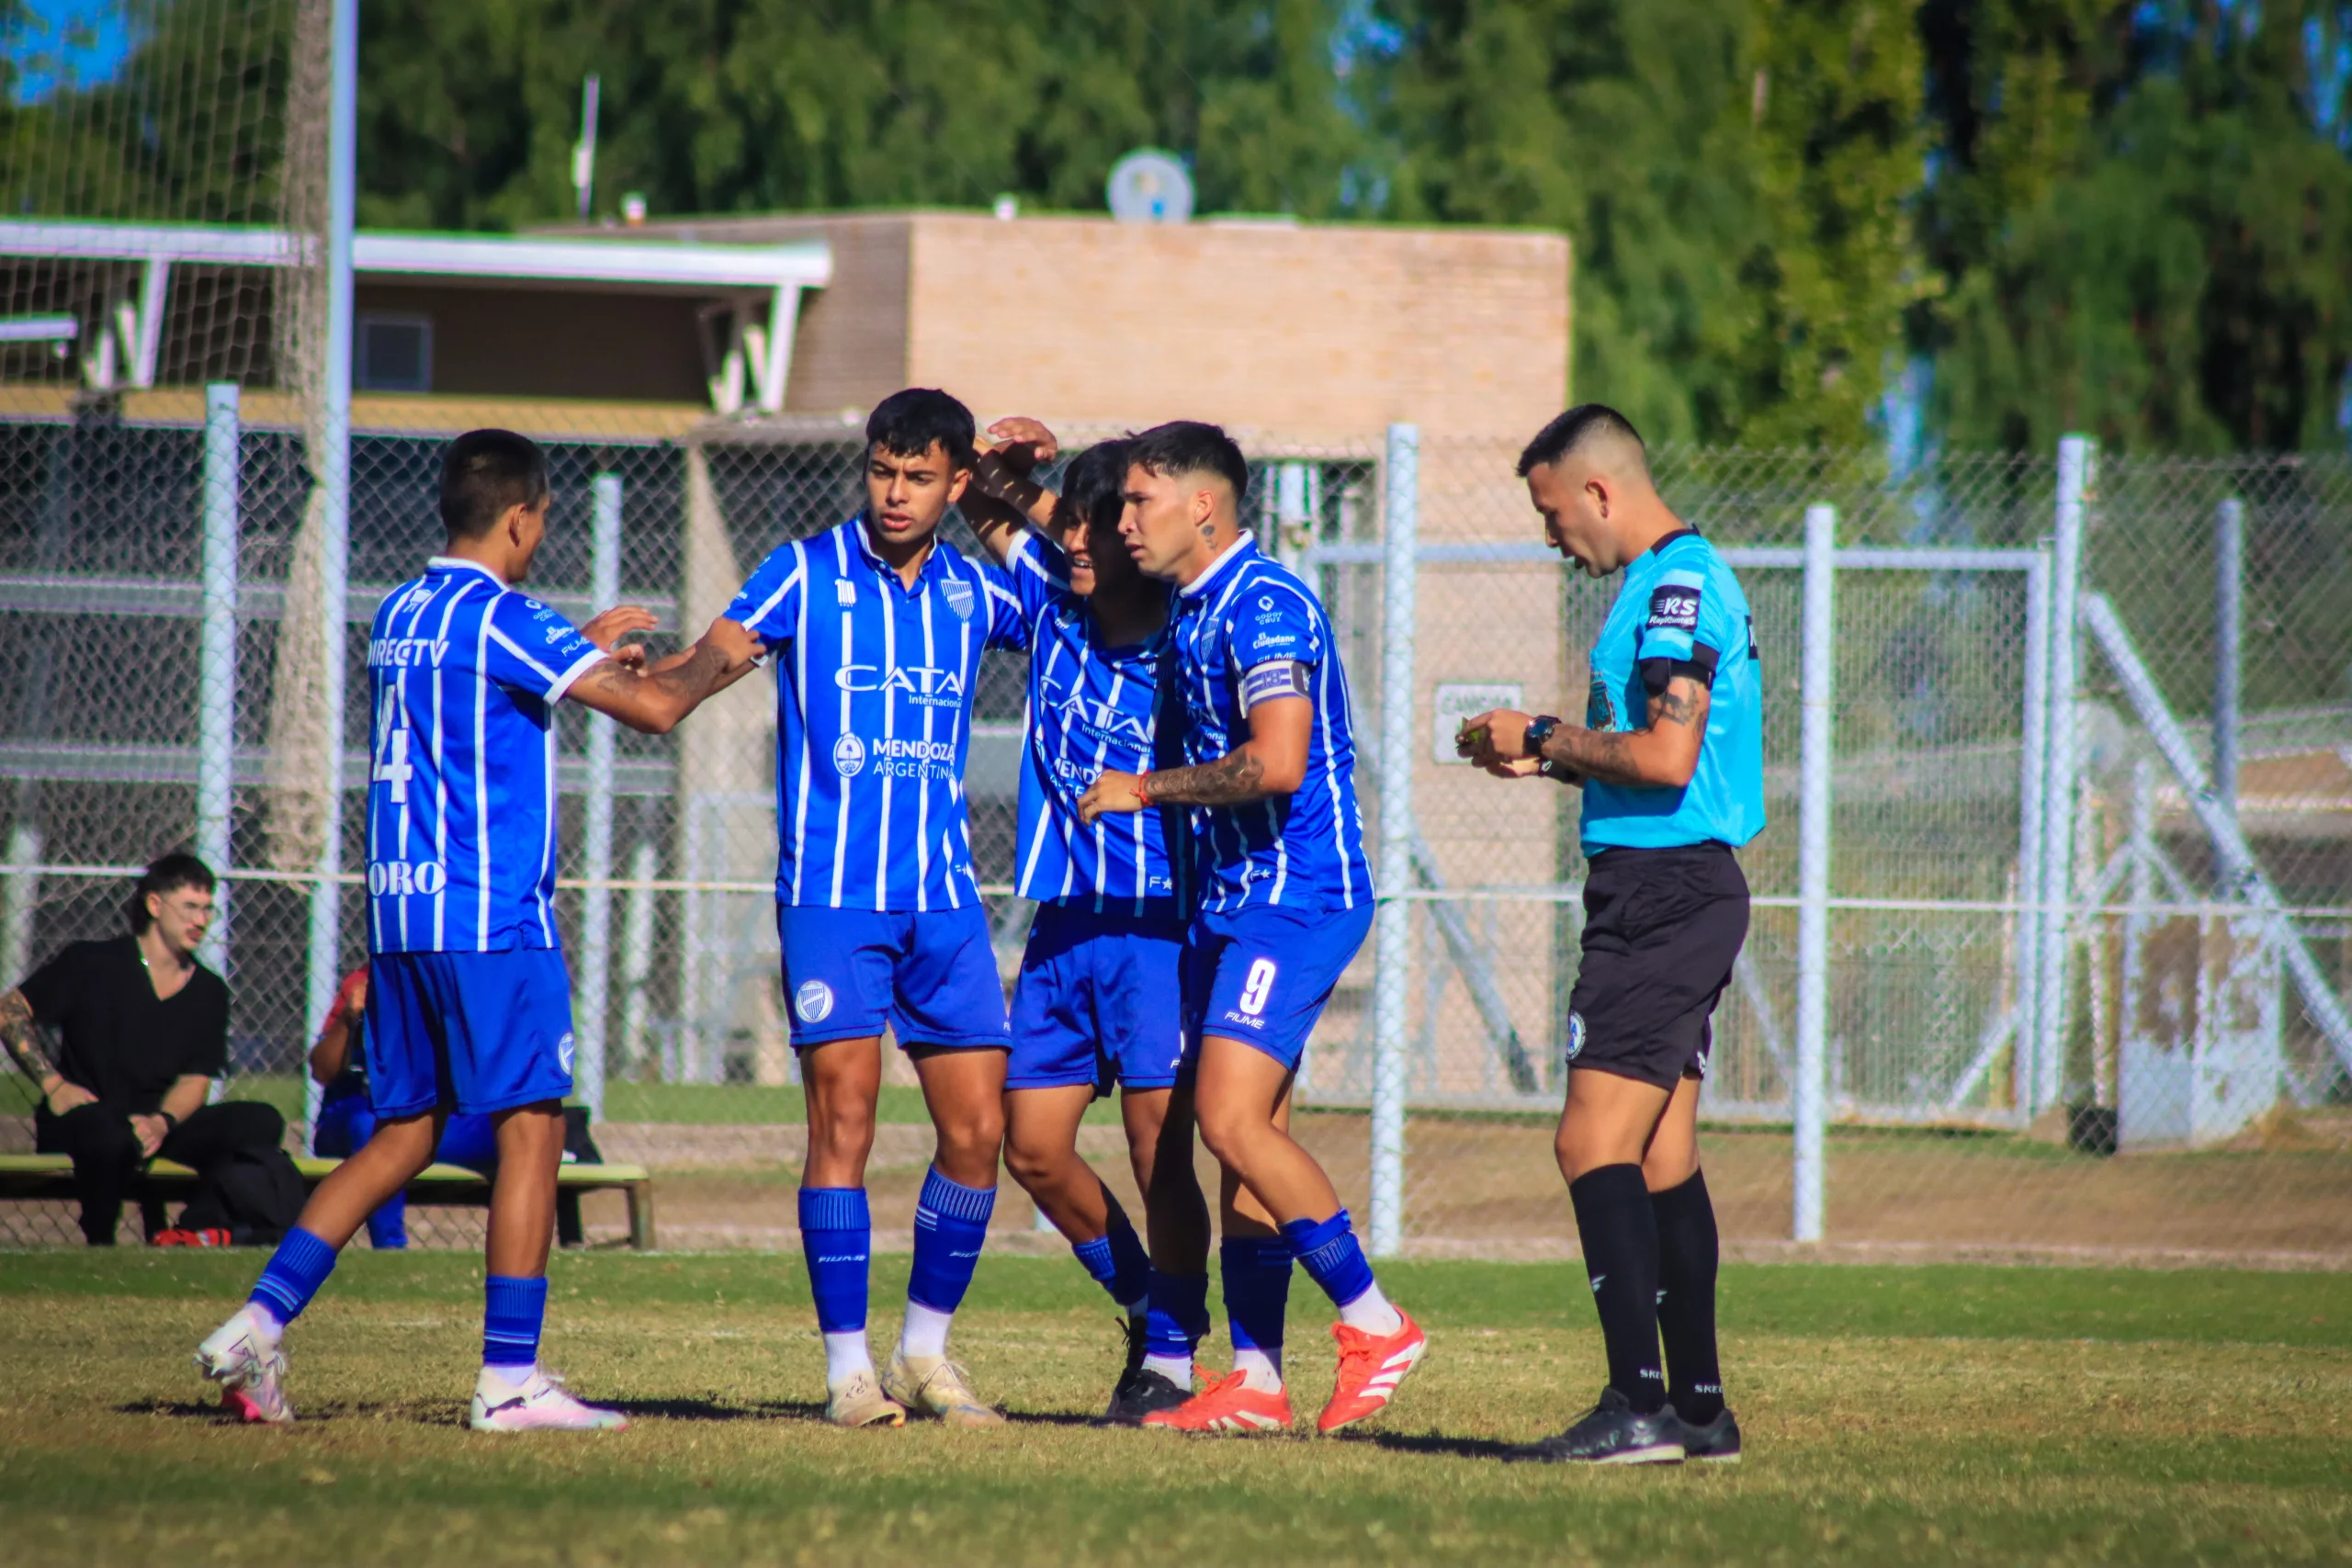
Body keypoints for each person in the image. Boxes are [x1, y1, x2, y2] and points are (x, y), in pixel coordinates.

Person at [193, 428, 759, 1430]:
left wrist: (580, 648)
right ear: (518, 518)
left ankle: (259, 1325)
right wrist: (731, 648)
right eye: (542, 520)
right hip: (492, 917)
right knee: (534, 1128)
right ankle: (510, 1381)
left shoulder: (406, 611)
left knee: (403, 1133)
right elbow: (660, 709)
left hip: (404, 918)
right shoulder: (507, 618)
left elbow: (482, 691)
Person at [1079, 421, 1427, 1437]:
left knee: (1229, 1121)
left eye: (1139, 502)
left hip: (1299, 899)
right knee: (1247, 1140)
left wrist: (1142, 788)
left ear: (1204, 506)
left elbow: (1276, 763)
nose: (1122, 521)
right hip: (1231, 910)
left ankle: (1375, 1324)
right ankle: (1258, 1379)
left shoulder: (1264, 606)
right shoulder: (1194, 608)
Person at [717, 389, 1029, 1429]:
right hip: (832, 900)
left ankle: (923, 1355)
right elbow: (709, 660)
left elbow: (1078, 600)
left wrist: (1013, 505)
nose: (895, 494)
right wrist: (629, 680)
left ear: (952, 482)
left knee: (979, 1130)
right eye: (882, 472)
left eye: (918, 477)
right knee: (843, 1120)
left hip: (943, 903)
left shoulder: (977, 592)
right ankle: (847, 1373)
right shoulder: (802, 572)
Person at [1457, 403, 1761, 1465]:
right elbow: (1647, 751)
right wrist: (1550, 759)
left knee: (1588, 1142)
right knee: (1661, 1152)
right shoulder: (1655, 587)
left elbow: (1669, 759)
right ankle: (1695, 1410)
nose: (1550, 536)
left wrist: (1543, 732)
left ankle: (1634, 1401)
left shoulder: (1675, 588)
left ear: (1598, 491)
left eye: (1551, 512)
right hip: (1671, 884)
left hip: (1663, 894)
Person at [956, 431, 1215, 1424]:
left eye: (1094, 523)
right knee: (1031, 1147)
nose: (1072, 539)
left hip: (1159, 927)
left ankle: (1174, 1357)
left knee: (1160, 1154)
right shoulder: (1051, 609)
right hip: (1063, 925)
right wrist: (1001, 456)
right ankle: (1151, 1304)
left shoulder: (1188, 632)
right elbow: (978, 504)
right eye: (1064, 518)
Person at [1, 853, 287, 1247]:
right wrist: (53, 1085)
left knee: (261, 1121)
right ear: (154, 905)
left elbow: (195, 1080)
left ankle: (187, 1233)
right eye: (189, 907)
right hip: (89, 1117)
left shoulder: (209, 990)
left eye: (207, 910)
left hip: (158, 1126)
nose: (201, 921)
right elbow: (9, 1011)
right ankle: (100, 1246)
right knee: (107, 1135)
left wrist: (162, 1122)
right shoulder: (91, 963)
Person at [308, 965, 498, 1250]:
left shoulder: (464, 977)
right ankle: (391, 1252)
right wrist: (349, 1019)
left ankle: (515, 1261)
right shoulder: (365, 979)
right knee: (371, 1128)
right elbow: (323, 1071)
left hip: (441, 1121)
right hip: (358, 1114)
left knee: (516, 1131)